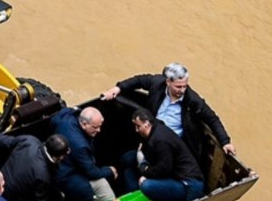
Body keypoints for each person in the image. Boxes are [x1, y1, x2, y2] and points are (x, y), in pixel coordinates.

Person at [100, 62, 234, 160]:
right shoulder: (157, 83)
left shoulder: (193, 100)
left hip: (171, 145)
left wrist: (225, 142)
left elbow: (212, 119)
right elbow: (138, 80)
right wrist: (117, 89)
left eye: (185, 86)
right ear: (168, 82)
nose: (182, 90)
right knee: (127, 159)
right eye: (178, 87)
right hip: (150, 137)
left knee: (145, 163)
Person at [122, 109, 205, 201]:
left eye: (138, 126)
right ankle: (135, 194)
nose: (136, 130)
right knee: (127, 159)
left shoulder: (161, 142)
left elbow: (164, 169)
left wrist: (145, 171)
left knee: (146, 186)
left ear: (147, 124)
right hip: (172, 172)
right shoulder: (155, 128)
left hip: (188, 184)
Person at [50, 106, 116, 201]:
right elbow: (92, 172)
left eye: (100, 126)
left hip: (63, 163)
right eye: (95, 127)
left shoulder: (66, 116)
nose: (99, 130)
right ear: (84, 124)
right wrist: (110, 170)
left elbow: (56, 118)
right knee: (91, 191)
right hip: (66, 175)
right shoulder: (80, 145)